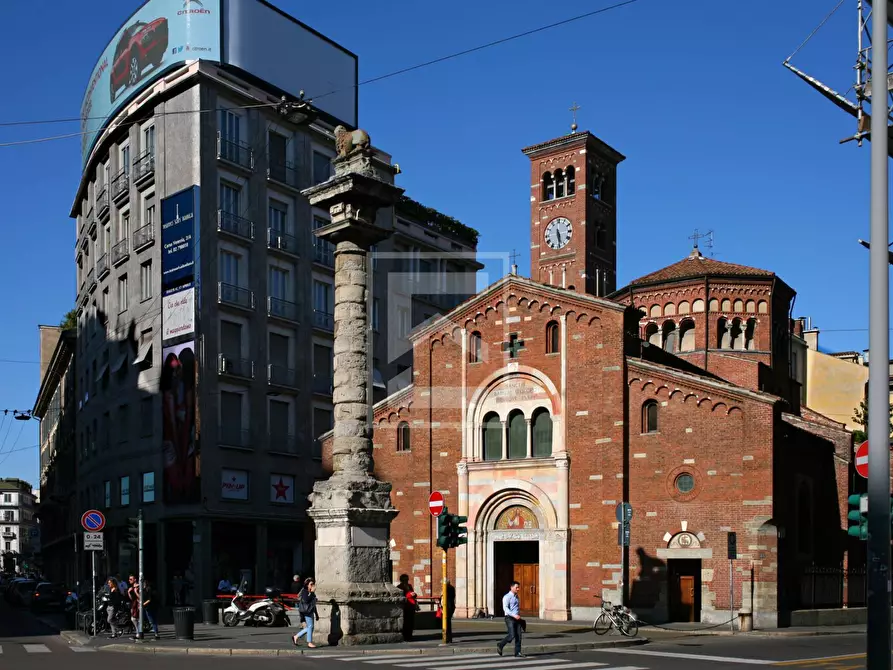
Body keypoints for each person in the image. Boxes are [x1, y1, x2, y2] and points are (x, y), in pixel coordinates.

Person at [496, 580, 524, 658]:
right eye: (516, 587)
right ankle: (500, 644)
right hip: (510, 618)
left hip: (517, 618)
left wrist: (518, 615)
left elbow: (516, 608)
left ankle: (517, 652)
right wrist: (514, 615)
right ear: (511, 587)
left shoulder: (517, 596)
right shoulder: (507, 597)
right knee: (512, 635)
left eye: (518, 587)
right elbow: (505, 609)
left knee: (519, 635)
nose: (518, 589)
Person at [291, 578, 319, 648]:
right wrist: (312, 592)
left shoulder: (311, 592)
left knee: (310, 627)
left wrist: (316, 614)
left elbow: (313, 604)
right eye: (311, 584)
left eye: (313, 584)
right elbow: (306, 600)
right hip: (307, 612)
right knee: (310, 627)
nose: (312, 586)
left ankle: (296, 636)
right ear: (307, 585)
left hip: (310, 611)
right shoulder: (305, 591)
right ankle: (309, 643)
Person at [397, 574, 418, 641]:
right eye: (405, 580)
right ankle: (405, 636)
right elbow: (401, 597)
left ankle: (410, 635)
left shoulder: (409, 586)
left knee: (411, 622)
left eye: (407, 579)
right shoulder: (399, 587)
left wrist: (414, 594)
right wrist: (409, 595)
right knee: (406, 622)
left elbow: (414, 594)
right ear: (401, 580)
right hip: (405, 606)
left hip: (411, 606)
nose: (406, 581)